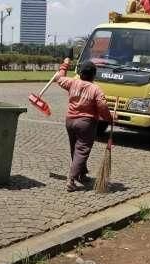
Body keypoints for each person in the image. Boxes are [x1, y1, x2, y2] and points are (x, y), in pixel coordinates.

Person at [55, 58, 114, 192]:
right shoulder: (95, 89)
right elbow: (102, 106)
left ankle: (81, 174)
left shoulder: (72, 82)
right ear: (94, 75)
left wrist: (65, 64)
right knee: (81, 150)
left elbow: (59, 77)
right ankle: (71, 179)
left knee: (75, 149)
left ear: (80, 73)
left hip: (70, 121)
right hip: (86, 124)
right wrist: (110, 118)